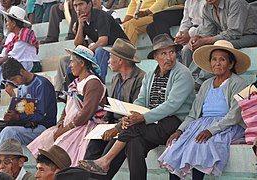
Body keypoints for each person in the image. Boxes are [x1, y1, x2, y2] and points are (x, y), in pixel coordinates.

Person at [78, 33, 195, 180]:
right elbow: (141, 100)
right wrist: (130, 115)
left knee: (133, 127)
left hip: (173, 122)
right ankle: (103, 173)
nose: (169, 57)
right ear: (156, 57)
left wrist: (141, 118)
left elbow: (172, 105)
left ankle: (105, 161)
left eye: (171, 52)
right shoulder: (151, 75)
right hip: (153, 123)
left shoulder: (183, 73)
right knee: (134, 144)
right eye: (164, 53)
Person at [160, 40, 250, 180]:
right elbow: (193, 114)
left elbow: (234, 116)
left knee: (200, 146)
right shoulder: (206, 84)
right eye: (214, 59)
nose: (217, 63)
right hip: (201, 124)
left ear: (231, 64)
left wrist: (211, 130)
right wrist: (180, 130)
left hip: (226, 126)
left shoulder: (238, 83)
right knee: (177, 146)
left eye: (222, 60)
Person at [28, 45, 107, 166]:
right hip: (70, 125)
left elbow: (87, 112)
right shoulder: (76, 83)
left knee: (61, 152)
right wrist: (61, 121)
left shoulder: (93, 83)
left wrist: (67, 128)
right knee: (44, 144)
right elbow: (68, 106)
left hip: (83, 126)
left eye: (72, 62)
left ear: (81, 63)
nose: (70, 65)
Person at [83, 38, 145, 180]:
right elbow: (112, 106)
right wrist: (105, 121)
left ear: (121, 60)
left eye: (111, 57)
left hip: (129, 126)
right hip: (115, 124)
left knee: (109, 150)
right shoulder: (116, 78)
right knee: (93, 145)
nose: (108, 61)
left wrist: (116, 128)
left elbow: (135, 112)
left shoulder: (140, 78)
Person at [0, 58, 57, 158]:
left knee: (9, 132)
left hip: (41, 127)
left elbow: (40, 116)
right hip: (25, 125)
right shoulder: (21, 86)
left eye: (14, 79)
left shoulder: (42, 84)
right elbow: (21, 109)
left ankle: (1, 169)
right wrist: (11, 112)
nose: (14, 83)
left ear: (22, 71)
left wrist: (18, 118)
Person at [181, 0, 257, 90]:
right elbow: (207, 32)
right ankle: (188, 79)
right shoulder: (207, 8)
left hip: (248, 36)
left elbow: (234, 32)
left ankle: (200, 81)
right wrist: (197, 38)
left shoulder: (235, 2)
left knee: (218, 46)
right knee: (188, 48)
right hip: (228, 37)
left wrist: (205, 40)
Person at [0, 6, 41, 106]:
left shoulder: (26, 33)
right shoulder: (11, 35)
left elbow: (12, 55)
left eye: (7, 21)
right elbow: (4, 53)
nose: (6, 24)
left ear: (14, 23)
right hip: (15, 62)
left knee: (6, 68)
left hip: (28, 63)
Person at [73, 0, 128, 81]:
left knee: (100, 50)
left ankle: (98, 82)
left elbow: (103, 41)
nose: (78, 9)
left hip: (121, 47)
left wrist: (86, 53)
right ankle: (73, 87)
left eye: (81, 4)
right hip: (108, 47)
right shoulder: (81, 19)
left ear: (90, 4)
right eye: (75, 6)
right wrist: (80, 26)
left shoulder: (101, 15)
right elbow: (78, 44)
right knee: (74, 54)